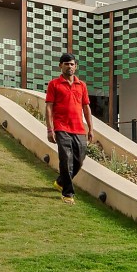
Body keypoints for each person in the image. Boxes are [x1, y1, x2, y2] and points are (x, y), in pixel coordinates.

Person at [45, 52, 93, 203]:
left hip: (78, 129)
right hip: (61, 127)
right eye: (66, 64)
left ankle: (60, 182)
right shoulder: (54, 84)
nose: (69, 66)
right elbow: (48, 108)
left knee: (79, 160)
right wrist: (50, 129)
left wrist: (91, 129)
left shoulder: (82, 85)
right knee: (65, 159)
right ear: (60, 66)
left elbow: (86, 108)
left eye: (72, 64)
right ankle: (68, 194)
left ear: (76, 66)